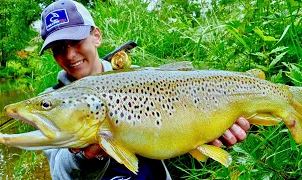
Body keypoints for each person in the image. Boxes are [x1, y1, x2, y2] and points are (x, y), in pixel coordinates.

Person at [39, 0, 250, 179]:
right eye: (58, 49)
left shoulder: (141, 79)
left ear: (96, 36)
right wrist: (85, 155)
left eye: (75, 41)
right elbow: (60, 174)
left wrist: (212, 128)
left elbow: (181, 124)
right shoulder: (49, 103)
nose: (69, 55)